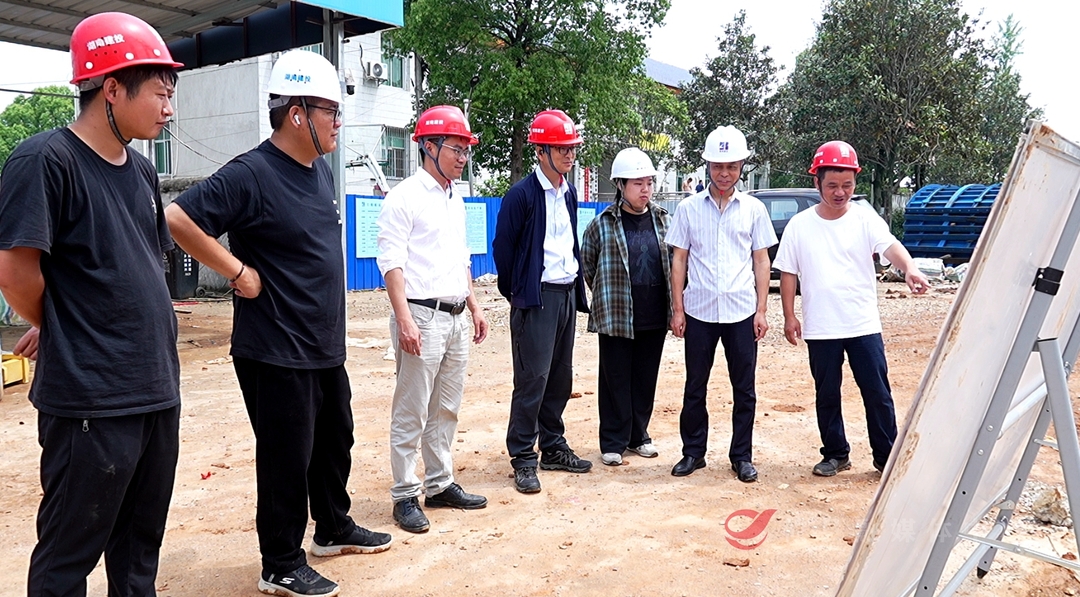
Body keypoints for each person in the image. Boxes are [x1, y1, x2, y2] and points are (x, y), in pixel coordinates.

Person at [165, 50, 391, 597]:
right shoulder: (252, 173)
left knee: (334, 438)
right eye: (331, 111)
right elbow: (177, 217)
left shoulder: (317, 172)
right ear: (296, 113)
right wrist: (237, 271)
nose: (339, 123)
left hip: (321, 343)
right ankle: (281, 563)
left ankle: (332, 527)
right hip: (274, 347)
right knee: (286, 457)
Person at [0, 13, 182, 596]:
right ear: (112, 88)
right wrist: (61, 324)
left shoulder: (142, 172)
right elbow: (15, 273)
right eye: (159, 93)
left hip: (155, 390)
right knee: (68, 554)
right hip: (91, 399)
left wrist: (66, 316)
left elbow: (133, 268)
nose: (168, 109)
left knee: (138, 553)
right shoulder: (45, 161)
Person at [774, 140, 929, 478]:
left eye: (847, 184)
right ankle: (835, 453)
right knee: (827, 393)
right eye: (832, 185)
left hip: (862, 324)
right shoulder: (800, 225)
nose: (840, 192)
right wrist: (789, 315)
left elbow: (890, 246)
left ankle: (886, 456)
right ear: (817, 182)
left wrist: (910, 269)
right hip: (821, 326)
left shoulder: (864, 219)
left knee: (877, 392)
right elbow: (788, 272)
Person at [376, 105, 489, 534]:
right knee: (412, 408)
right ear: (428, 146)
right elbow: (391, 262)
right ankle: (405, 493)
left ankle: (439, 483)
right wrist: (404, 319)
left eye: (465, 150)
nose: (462, 157)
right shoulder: (404, 197)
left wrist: (474, 306)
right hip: (421, 316)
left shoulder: (454, 197)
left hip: (455, 316)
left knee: (445, 408)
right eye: (455, 149)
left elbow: (461, 258)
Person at [664, 125, 776, 483]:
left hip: (741, 312)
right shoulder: (688, 209)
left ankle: (741, 456)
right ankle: (693, 452)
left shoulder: (754, 209)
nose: (724, 173)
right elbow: (679, 260)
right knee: (695, 386)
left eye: (731, 166)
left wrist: (761, 310)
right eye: (717, 166)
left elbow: (761, 260)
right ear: (707, 166)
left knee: (744, 389)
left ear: (741, 166)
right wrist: (678, 309)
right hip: (699, 311)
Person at [493, 109, 592, 494]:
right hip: (536, 299)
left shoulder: (568, 193)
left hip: (565, 293)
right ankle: (522, 456)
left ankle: (552, 446)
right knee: (532, 378)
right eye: (561, 148)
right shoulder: (521, 195)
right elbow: (503, 250)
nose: (569, 155)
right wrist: (518, 293)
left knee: (560, 376)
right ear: (540, 151)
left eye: (572, 148)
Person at [581, 148, 672, 466]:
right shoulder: (602, 224)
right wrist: (609, 295)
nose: (645, 189)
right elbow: (588, 266)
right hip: (617, 315)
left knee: (645, 378)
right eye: (637, 183)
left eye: (648, 183)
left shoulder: (663, 220)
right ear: (620, 185)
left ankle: (638, 436)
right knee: (614, 379)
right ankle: (612, 441)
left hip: (654, 314)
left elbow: (675, 262)